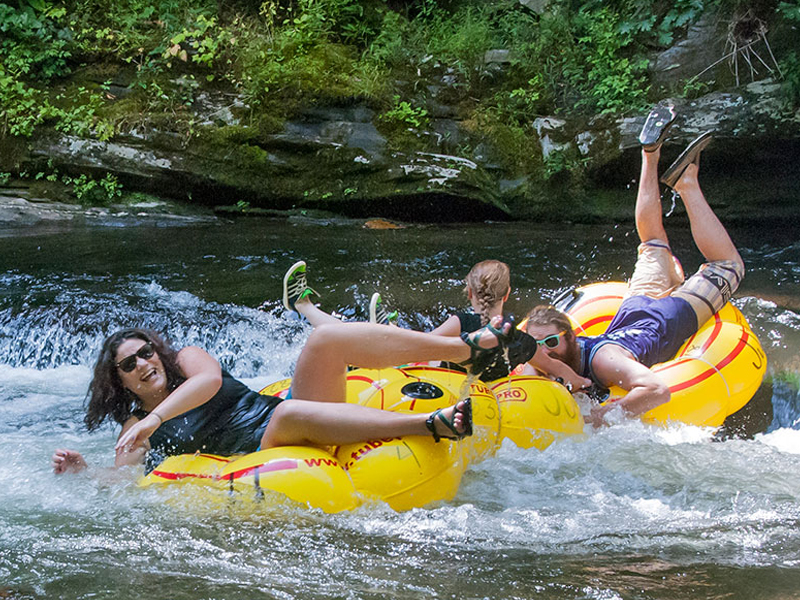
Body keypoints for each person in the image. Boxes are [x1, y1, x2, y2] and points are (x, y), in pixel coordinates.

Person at [53, 313, 537, 474]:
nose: (143, 364)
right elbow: (123, 486)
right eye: (128, 364)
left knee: (324, 339)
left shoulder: (187, 361)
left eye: (145, 353)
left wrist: (154, 420)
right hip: (265, 445)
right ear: (118, 380)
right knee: (285, 418)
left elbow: (212, 384)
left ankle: (462, 349)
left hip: (282, 412)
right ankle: (428, 424)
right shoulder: (130, 429)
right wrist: (84, 471)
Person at [524, 105, 744, 427]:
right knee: (652, 243)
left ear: (570, 337)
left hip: (664, 320)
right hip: (632, 311)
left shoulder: (603, 362)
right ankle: (649, 153)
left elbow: (658, 390)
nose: (545, 352)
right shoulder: (543, 362)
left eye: (551, 342)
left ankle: (687, 185)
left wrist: (601, 417)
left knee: (728, 265)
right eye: (537, 345)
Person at [284, 259, 516, 381]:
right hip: (449, 383)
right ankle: (387, 329)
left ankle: (302, 305)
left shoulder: (461, 322)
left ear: (469, 293)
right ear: (507, 294)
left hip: (402, 368)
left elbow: (418, 346)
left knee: (348, 333)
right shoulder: (517, 335)